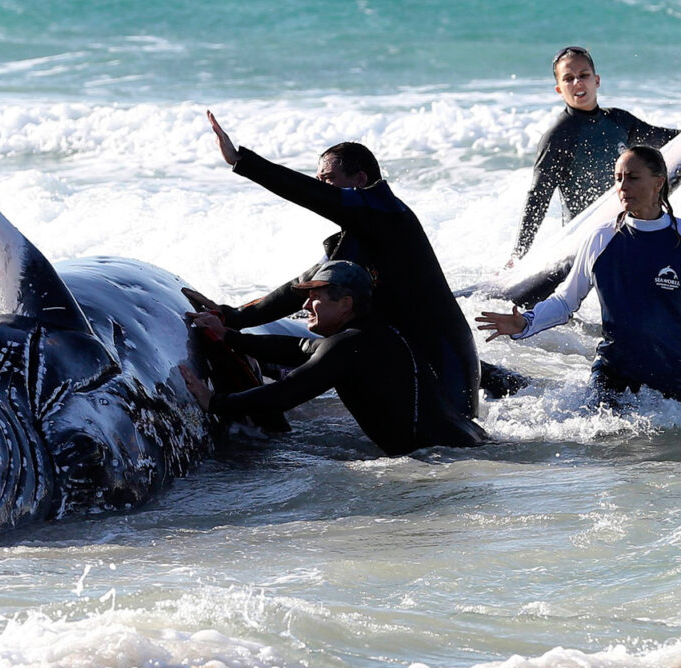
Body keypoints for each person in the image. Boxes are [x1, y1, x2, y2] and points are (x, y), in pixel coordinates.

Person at [194, 111, 483, 417]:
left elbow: (314, 196)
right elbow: (302, 286)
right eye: (320, 182)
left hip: (443, 350)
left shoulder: (387, 212)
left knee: (453, 440)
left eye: (328, 181)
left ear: (360, 180)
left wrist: (242, 162)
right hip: (402, 350)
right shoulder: (356, 235)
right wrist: (232, 317)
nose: (323, 189)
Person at [181, 261, 487, 456]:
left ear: (346, 303)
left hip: (445, 456)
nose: (306, 304)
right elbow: (302, 348)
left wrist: (215, 401)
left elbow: (284, 395)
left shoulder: (350, 345)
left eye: (317, 297)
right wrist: (231, 337)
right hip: (467, 442)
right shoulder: (375, 334)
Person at [478, 146, 681, 405]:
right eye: (618, 178)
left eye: (632, 177)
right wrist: (526, 323)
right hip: (614, 377)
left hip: (672, 378)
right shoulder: (602, 238)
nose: (622, 186)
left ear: (659, 182)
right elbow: (565, 301)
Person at [509, 46, 678, 263]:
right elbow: (538, 197)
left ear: (596, 80)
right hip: (585, 245)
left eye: (584, 75)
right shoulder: (558, 136)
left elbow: (667, 139)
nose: (577, 82)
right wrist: (518, 253)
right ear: (559, 89)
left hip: (627, 232)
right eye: (568, 78)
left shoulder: (619, 120)